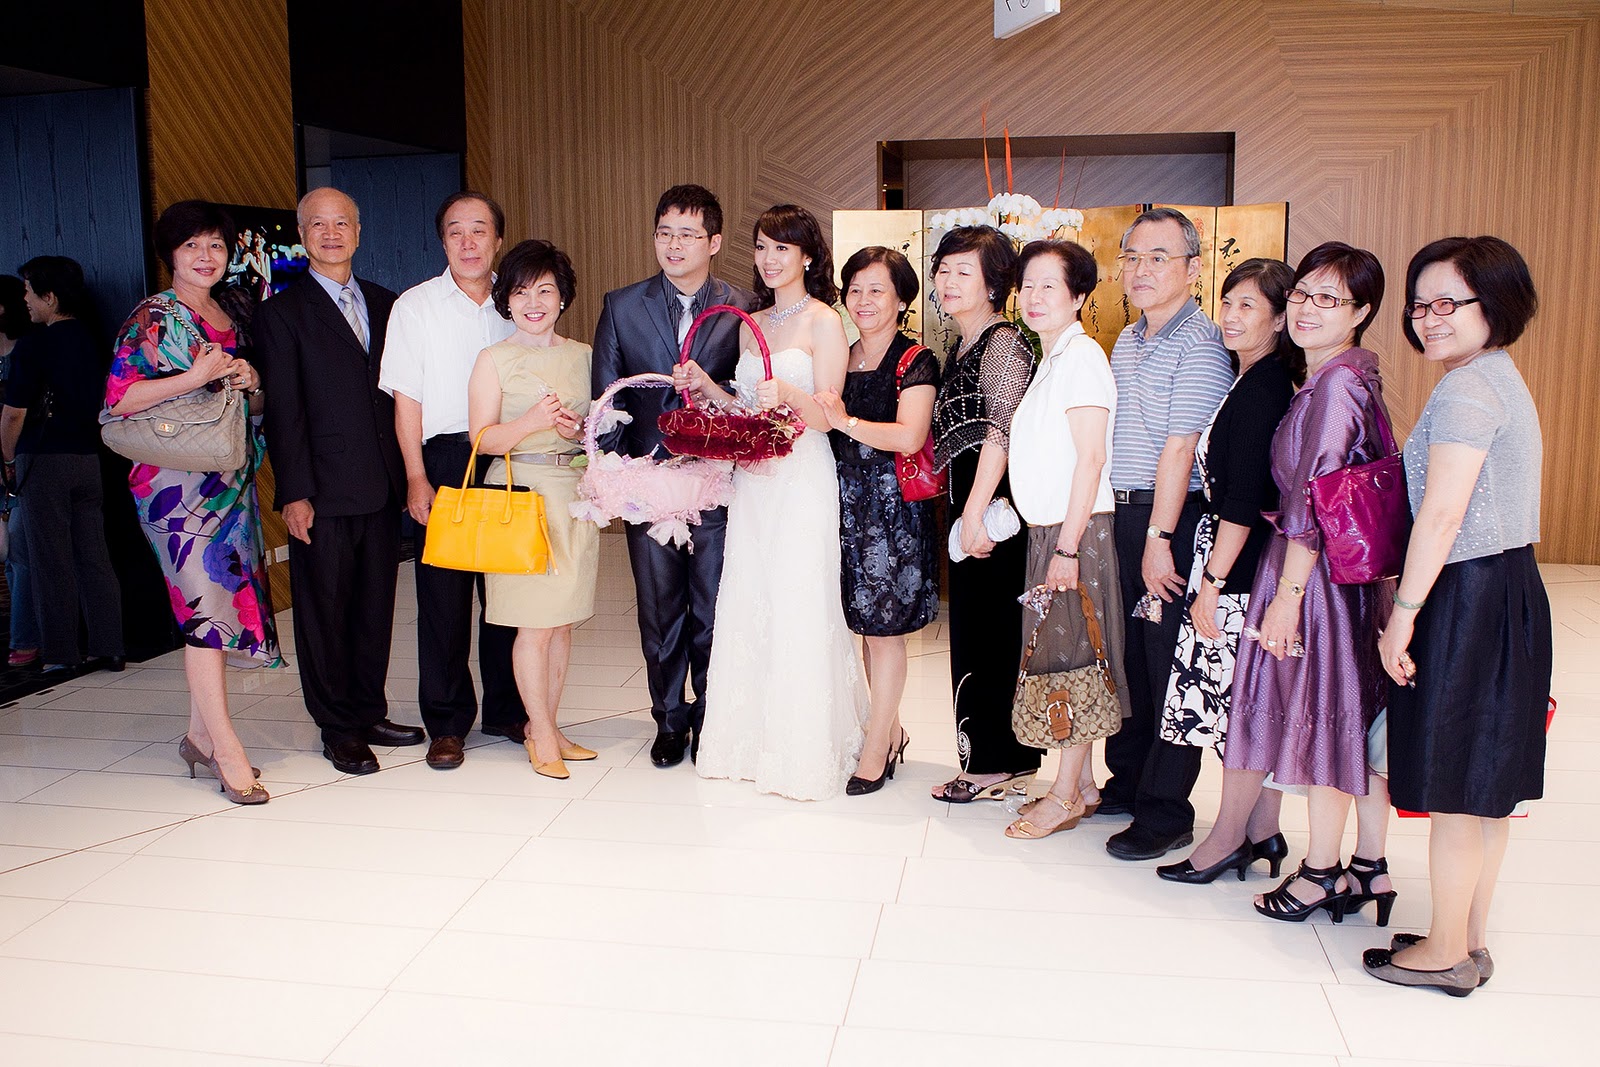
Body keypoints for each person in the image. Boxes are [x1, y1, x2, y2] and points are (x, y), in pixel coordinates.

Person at [1364, 236, 1549, 997]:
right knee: (1486, 780)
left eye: (1449, 303)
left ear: (1493, 304)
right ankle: (1468, 936)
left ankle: (1444, 951)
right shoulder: (1498, 376)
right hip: (1509, 587)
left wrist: (1403, 615)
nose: (1429, 318)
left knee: (1453, 783)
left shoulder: (1467, 391)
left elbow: (1442, 515)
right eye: (1420, 305)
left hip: (1467, 594)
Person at [1224, 242, 1395, 923]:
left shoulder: (1336, 385)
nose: (1306, 309)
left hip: (1315, 577)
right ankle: (1370, 866)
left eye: (1328, 299)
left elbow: (1311, 500)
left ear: (1361, 311)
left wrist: (1289, 600)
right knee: (1353, 712)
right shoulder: (1346, 375)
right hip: (1337, 573)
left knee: (1326, 718)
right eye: (1301, 294)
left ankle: (1322, 871)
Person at [676, 204, 868, 800]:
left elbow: (828, 417)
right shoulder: (750, 323)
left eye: (782, 247)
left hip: (803, 474)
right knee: (751, 595)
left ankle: (803, 749)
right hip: (756, 479)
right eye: (761, 246)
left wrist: (786, 390)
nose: (769, 258)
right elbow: (746, 411)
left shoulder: (824, 321)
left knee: (798, 597)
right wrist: (709, 389)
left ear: (807, 256)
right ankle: (748, 743)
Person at [105, 200, 277, 804]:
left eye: (216, 246)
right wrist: (195, 377)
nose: (206, 257)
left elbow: (248, 407)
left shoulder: (232, 311)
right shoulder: (153, 317)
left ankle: (199, 738)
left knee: (221, 604)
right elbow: (120, 398)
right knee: (204, 609)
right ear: (170, 254)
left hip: (228, 477)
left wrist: (253, 382)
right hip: (174, 488)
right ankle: (227, 751)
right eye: (192, 246)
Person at [591, 184, 752, 769]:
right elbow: (607, 400)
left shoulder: (741, 307)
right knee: (659, 611)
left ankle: (710, 717)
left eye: (688, 234)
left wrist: (715, 395)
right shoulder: (621, 305)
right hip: (648, 485)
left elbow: (751, 393)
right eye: (665, 233)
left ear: (714, 242)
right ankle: (668, 719)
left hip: (717, 483)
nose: (674, 245)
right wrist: (621, 479)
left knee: (712, 608)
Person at [256, 187, 414, 776]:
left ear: (358, 231)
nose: (330, 233)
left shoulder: (387, 303)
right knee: (323, 610)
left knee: (375, 605)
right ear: (302, 235)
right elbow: (284, 411)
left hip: (382, 482)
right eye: (317, 224)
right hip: (320, 490)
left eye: (341, 223)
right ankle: (337, 726)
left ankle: (369, 712)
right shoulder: (281, 313)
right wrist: (294, 493)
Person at [1155, 259, 1300, 883]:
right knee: (1245, 700)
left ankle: (1226, 840)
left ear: (1280, 317)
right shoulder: (1256, 378)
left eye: (1249, 306)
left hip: (1237, 564)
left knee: (1235, 708)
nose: (1232, 317)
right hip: (1238, 556)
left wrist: (1211, 586)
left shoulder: (1264, 388)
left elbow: (1242, 503)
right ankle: (1264, 829)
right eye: (1228, 302)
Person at [1101, 208, 1234, 860]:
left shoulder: (1201, 344)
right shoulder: (1128, 339)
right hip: (1127, 516)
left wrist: (1159, 537)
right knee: (1130, 657)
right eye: (1133, 257)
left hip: (1171, 522)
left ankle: (1166, 812)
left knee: (1167, 663)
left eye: (1159, 257)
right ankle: (1127, 781)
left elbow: (1182, 449)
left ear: (1193, 268)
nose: (1142, 270)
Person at [380, 191, 527, 763]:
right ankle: (446, 722)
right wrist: (416, 477)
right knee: (442, 599)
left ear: (498, 239)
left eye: (479, 230)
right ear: (442, 241)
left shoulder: (518, 302)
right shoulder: (415, 306)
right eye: (455, 231)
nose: (468, 242)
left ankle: (508, 711)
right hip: (444, 460)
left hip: (508, 457)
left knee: (506, 596)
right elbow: (407, 401)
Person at [1001, 239, 1131, 837]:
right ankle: (1081, 783)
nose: (1034, 296)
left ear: (1079, 296)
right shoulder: (1052, 357)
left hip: (1074, 533)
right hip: (1052, 531)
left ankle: (1064, 794)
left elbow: (1091, 459)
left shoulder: (1081, 358)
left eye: (1049, 285)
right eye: (1027, 285)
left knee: (1074, 655)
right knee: (1063, 652)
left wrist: (1068, 548)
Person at [467, 239, 599, 780]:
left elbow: (602, 427)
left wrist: (578, 429)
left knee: (562, 622)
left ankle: (550, 725)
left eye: (545, 290)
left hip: (573, 493)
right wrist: (532, 423)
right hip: (519, 497)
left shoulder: (583, 355)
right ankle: (538, 731)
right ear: (506, 300)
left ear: (562, 296)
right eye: (521, 292)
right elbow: (481, 439)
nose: (534, 302)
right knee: (533, 626)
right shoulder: (493, 359)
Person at [813, 247, 939, 795]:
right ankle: (891, 729)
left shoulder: (916, 359)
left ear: (902, 299)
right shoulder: (839, 357)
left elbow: (910, 436)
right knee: (864, 627)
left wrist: (844, 420)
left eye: (877, 290)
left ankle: (875, 746)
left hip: (891, 514)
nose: (863, 300)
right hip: (842, 506)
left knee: (885, 635)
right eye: (855, 289)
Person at [927, 225, 1041, 803]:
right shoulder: (962, 345)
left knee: (992, 633)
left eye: (962, 271)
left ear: (995, 283)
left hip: (994, 507)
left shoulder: (1002, 343)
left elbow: (1002, 431)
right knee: (976, 631)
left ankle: (994, 763)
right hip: (970, 500)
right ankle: (994, 757)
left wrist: (972, 513)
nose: (947, 280)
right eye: (943, 269)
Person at [1, 256, 125, 679]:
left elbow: (13, 414)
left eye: (29, 291)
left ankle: (61, 653)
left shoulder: (34, 344)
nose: (25, 300)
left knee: (49, 561)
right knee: (94, 556)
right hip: (90, 458)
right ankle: (109, 647)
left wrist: (7, 459)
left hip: (45, 460)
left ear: (50, 297)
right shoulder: (93, 339)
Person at [0, 274, 41, 667]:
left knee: (19, 550)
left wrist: (10, 459)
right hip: (8, 461)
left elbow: (17, 415)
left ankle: (25, 637)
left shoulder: (27, 349)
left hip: (21, 460)